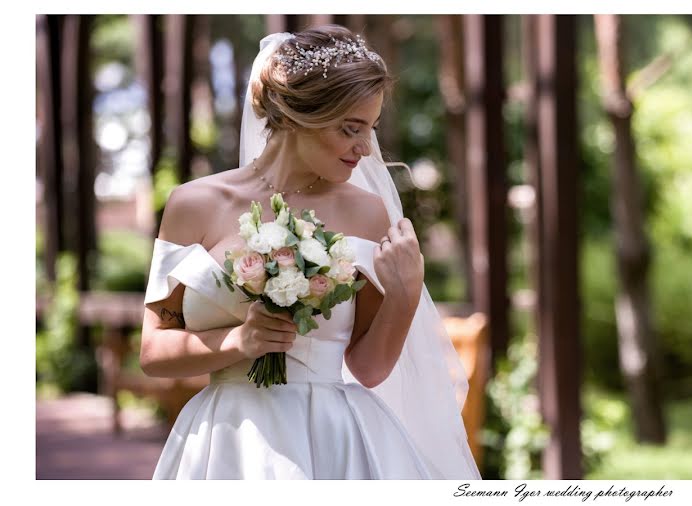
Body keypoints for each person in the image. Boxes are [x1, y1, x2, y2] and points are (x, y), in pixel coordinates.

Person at [140, 25, 481, 479]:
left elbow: (369, 366)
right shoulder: (193, 205)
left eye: (371, 128)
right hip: (228, 442)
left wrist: (406, 293)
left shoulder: (367, 214)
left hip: (332, 442)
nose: (366, 148)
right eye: (350, 129)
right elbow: (153, 350)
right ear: (297, 115)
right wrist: (238, 341)